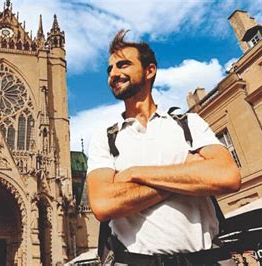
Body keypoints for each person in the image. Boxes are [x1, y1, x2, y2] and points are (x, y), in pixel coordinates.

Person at [86, 30, 241, 265]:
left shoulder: (188, 123)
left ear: (150, 70)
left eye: (123, 65)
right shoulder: (105, 138)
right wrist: (191, 176)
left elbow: (227, 176)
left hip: (205, 259)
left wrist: (134, 173)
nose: (113, 74)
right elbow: (102, 205)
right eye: (110, 69)